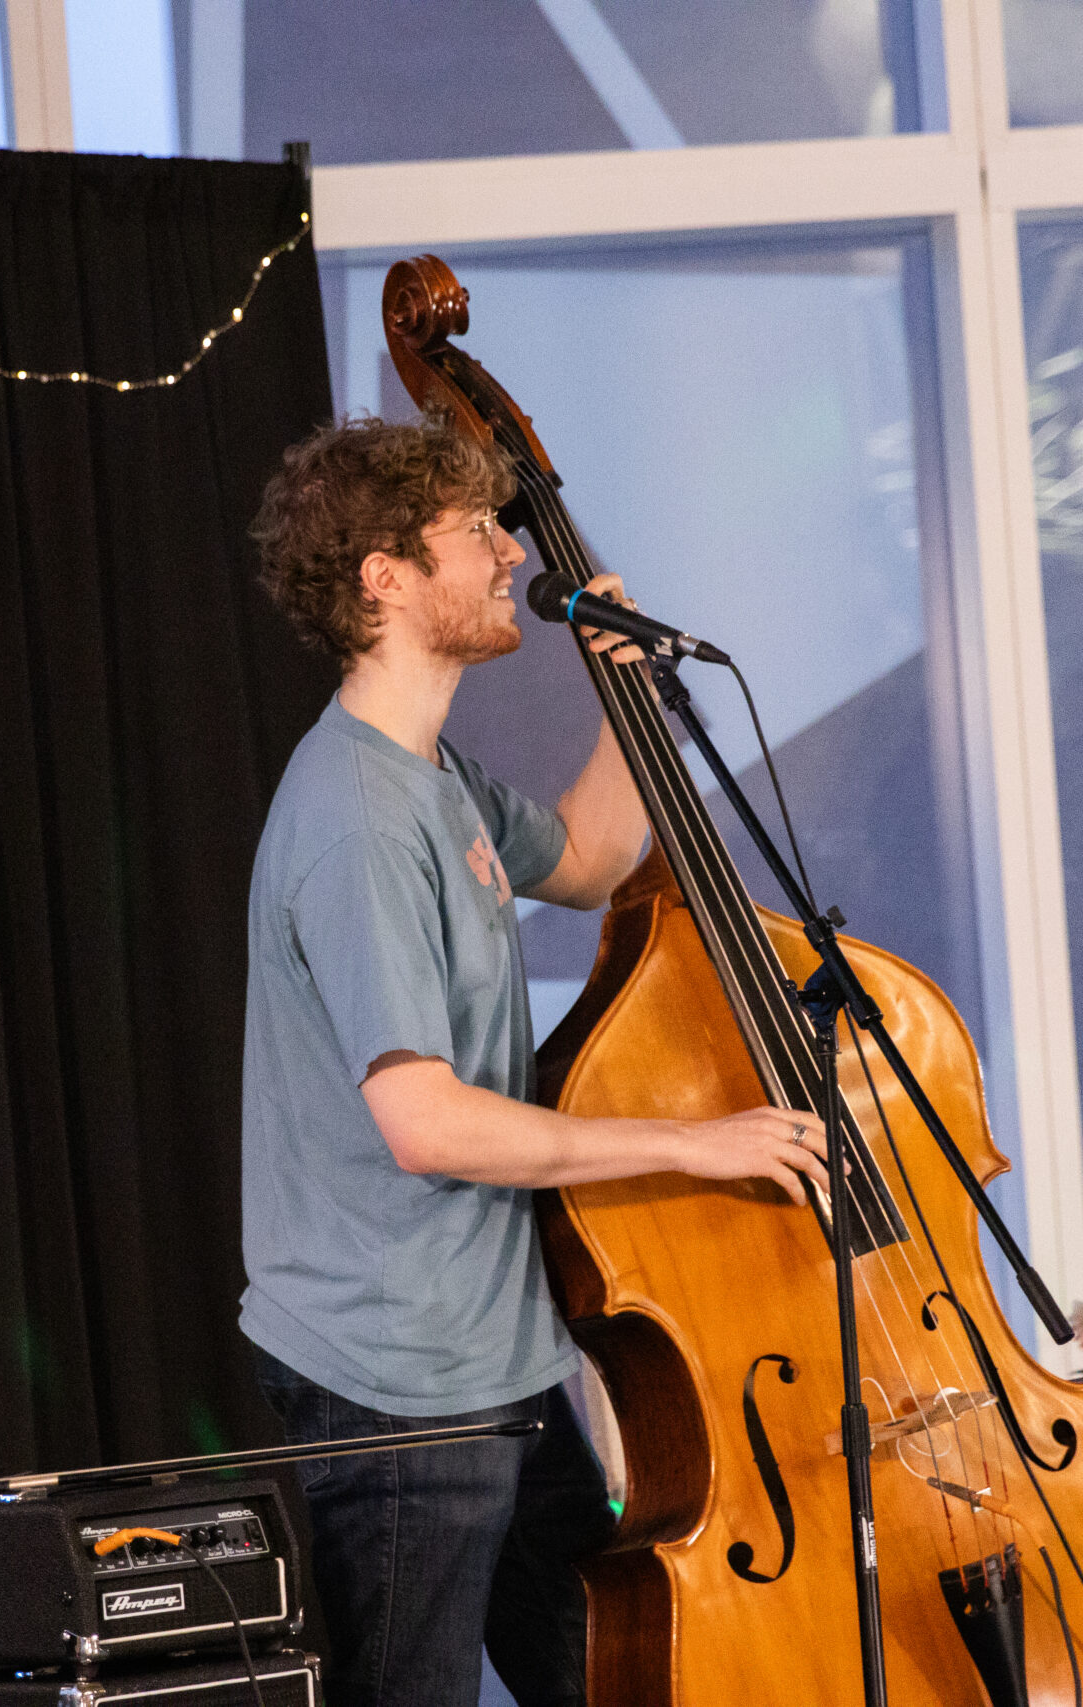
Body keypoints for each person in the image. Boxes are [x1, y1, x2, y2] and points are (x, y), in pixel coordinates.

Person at [237, 416, 829, 1707]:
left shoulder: (432, 780)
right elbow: (426, 1123)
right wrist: (692, 1140)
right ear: (384, 577)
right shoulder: (353, 818)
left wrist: (632, 696)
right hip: (391, 1381)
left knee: (604, 1676)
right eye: (476, 533)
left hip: (494, 1360)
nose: (512, 554)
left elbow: (585, 857)